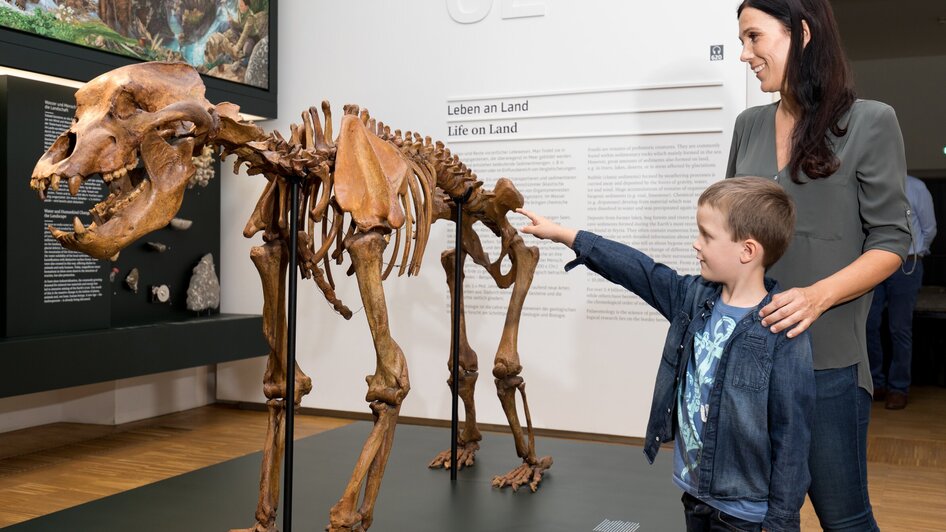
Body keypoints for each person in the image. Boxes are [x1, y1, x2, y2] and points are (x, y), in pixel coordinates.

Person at [518, 177, 815, 532]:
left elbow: (792, 434)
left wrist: (781, 522)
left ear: (747, 251)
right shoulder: (691, 297)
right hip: (694, 496)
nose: (696, 244)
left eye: (706, 235)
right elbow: (639, 269)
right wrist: (567, 235)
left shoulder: (781, 330)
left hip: (742, 514)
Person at [728, 1, 911, 530]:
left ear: (802, 34)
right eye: (741, 40)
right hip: (750, 361)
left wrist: (816, 295)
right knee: (758, 518)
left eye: (754, 37)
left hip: (826, 368)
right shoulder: (748, 126)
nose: (745, 54)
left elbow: (892, 242)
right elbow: (730, 230)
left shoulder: (871, 121)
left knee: (844, 518)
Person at [866, 175, 937, 410]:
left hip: (907, 264)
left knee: (900, 328)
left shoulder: (916, 187)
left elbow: (929, 229)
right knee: (868, 324)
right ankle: (876, 383)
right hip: (874, 263)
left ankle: (898, 388)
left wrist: (914, 252)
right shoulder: (872, 184)